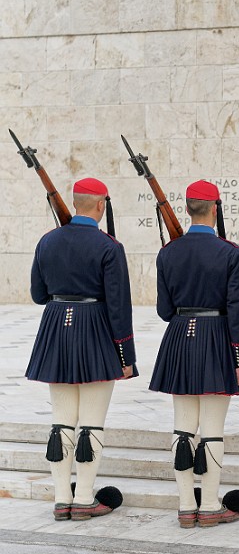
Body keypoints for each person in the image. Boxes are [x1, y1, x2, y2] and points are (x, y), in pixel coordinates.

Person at [26, 177, 136, 521]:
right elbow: (119, 307)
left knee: (61, 423)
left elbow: (38, 294)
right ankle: (85, 497)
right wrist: (126, 357)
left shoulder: (47, 241)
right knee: (91, 424)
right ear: (101, 205)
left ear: (76, 204)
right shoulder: (108, 246)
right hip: (96, 331)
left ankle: (62, 499)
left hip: (57, 328)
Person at [148, 180, 239, 529]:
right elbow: (237, 310)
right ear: (215, 209)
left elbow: (164, 310)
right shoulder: (230, 252)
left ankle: (185, 506)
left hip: (179, 337)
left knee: (182, 428)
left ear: (188, 209)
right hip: (217, 338)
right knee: (212, 431)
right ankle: (208, 506)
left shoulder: (168, 252)